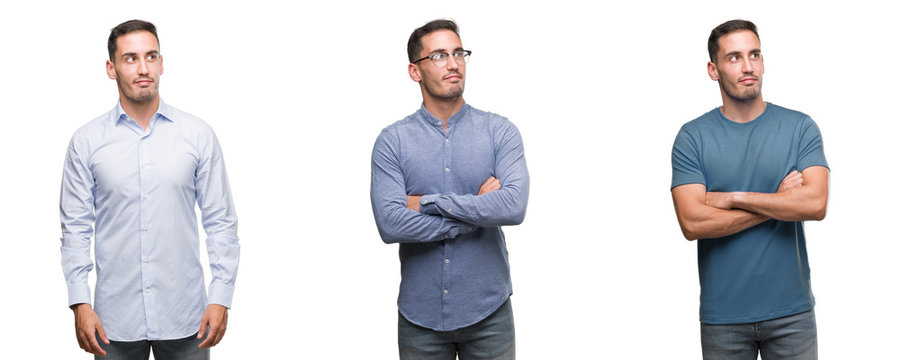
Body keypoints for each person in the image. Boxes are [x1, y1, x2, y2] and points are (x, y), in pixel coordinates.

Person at [59, 19, 240, 359]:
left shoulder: (198, 135)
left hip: (188, 318)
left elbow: (221, 222)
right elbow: (76, 229)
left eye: (151, 56)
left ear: (161, 63)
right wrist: (79, 301)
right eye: (130, 58)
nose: (143, 68)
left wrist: (220, 296)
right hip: (112, 321)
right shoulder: (86, 142)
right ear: (111, 68)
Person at [370, 19, 529, 359]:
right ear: (415, 71)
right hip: (420, 318)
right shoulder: (392, 142)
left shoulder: (500, 132)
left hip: (489, 314)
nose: (454, 63)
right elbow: (390, 224)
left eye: (459, 53)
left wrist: (424, 203)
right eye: (439, 55)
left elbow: (514, 206)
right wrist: (477, 211)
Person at [670, 19, 828, 359]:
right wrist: (783, 201)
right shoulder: (692, 137)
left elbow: (815, 204)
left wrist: (731, 198)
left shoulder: (799, 127)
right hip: (723, 319)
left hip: (792, 313)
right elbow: (693, 223)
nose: (747, 67)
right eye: (734, 57)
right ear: (713, 70)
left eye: (754, 55)